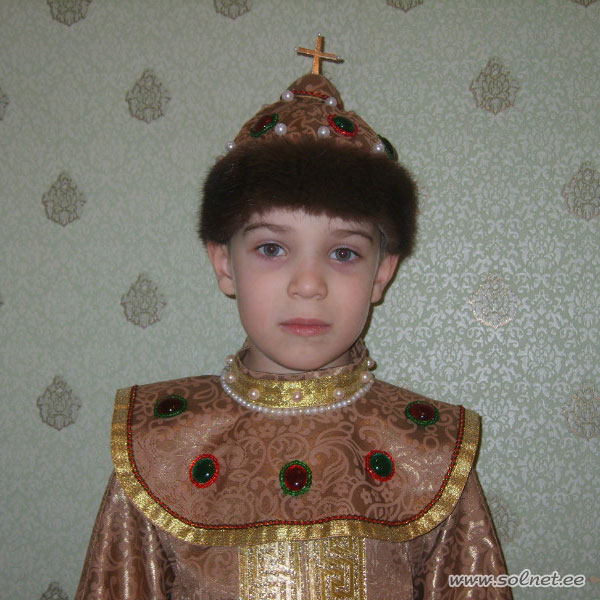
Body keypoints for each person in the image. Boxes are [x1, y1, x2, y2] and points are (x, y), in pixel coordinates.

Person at [76, 37, 512, 599]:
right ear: (224, 263)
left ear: (382, 274)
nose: (309, 284)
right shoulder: (157, 449)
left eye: (344, 253)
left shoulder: (430, 454)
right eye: (272, 248)